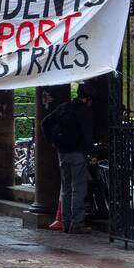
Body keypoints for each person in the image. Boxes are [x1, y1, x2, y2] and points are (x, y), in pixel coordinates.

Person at [43, 82, 96, 233]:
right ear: (87, 99)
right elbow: (87, 135)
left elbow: (45, 122)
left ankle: (65, 222)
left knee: (66, 188)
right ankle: (77, 223)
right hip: (77, 153)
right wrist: (92, 154)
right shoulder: (84, 110)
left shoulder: (64, 107)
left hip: (62, 153)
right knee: (78, 188)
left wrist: (52, 141)